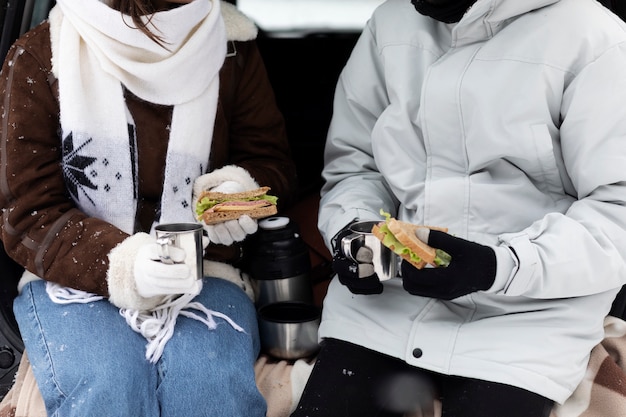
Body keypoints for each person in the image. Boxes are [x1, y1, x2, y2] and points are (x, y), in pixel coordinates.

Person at [292, 0, 626, 416]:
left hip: (528, 322)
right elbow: (356, 164)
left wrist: (496, 266)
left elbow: (616, 212)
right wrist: (353, 231)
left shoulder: (592, 36)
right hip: (387, 308)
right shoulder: (390, 22)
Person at [0, 0, 297, 415]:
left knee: (210, 390)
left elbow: (270, 162)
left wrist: (236, 192)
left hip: (205, 269)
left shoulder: (232, 48)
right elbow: (26, 215)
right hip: (72, 274)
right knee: (108, 384)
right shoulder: (40, 53)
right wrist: (125, 265)